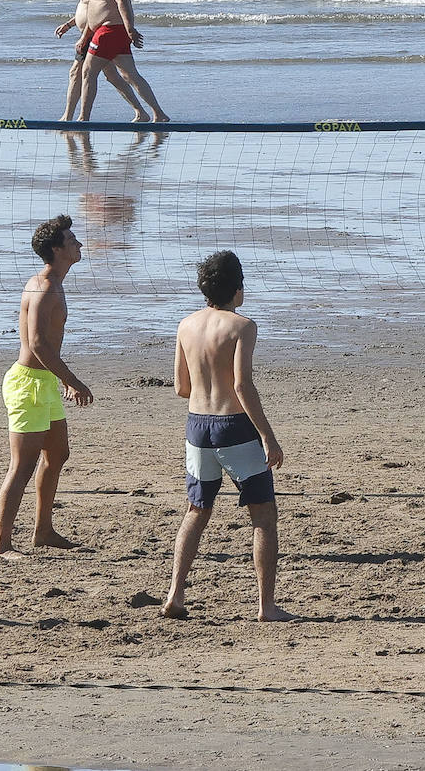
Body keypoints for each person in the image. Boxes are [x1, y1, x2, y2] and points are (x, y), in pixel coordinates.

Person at [163, 251, 294, 621]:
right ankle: (266, 606)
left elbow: (180, 388)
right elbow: (242, 385)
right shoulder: (242, 326)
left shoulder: (185, 325)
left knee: (196, 511)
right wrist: (268, 436)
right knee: (264, 516)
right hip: (233, 426)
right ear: (238, 288)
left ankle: (175, 594)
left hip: (196, 428)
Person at [0, 214, 94, 559]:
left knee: (57, 454)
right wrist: (72, 379)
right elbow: (37, 344)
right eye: (72, 241)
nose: (79, 244)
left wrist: (58, 378)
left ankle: (44, 531)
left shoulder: (55, 282)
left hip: (44, 382)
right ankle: (1, 546)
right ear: (56, 249)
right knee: (22, 466)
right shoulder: (45, 287)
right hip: (28, 385)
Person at [77, 0, 169, 124]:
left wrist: (130, 28)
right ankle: (158, 114)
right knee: (129, 75)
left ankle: (83, 119)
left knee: (88, 72)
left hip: (109, 31)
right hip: (108, 31)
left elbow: (122, 1)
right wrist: (85, 35)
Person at [57, 0, 146, 122]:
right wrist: (69, 25)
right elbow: (87, 12)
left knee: (79, 72)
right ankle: (141, 111)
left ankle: (71, 117)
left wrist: (84, 37)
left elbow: (98, 14)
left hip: (95, 34)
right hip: (92, 33)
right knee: (113, 76)